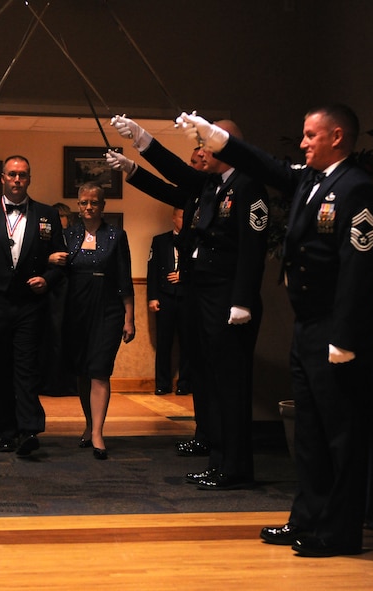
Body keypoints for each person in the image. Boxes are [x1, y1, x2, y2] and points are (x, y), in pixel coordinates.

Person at [178, 105, 373, 557]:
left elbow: (358, 269)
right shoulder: (311, 180)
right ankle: (306, 519)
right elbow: (266, 165)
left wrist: (345, 336)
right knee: (309, 431)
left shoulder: (356, 188)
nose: (303, 142)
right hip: (308, 325)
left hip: (336, 330)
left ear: (337, 137)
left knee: (340, 436)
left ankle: (339, 532)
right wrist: (218, 139)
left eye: (311, 135)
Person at [109, 116, 268, 489]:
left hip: (229, 298)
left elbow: (253, 249)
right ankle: (218, 461)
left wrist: (242, 300)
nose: (201, 152)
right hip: (204, 294)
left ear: (227, 146)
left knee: (230, 385)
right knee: (210, 380)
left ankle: (235, 467)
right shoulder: (214, 184)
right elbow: (176, 179)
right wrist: (141, 146)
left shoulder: (248, 185)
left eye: (207, 144)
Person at [107, 147, 209, 457]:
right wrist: (131, 167)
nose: (191, 167)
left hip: (201, 297)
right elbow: (163, 188)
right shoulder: (166, 234)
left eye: (196, 162)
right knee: (166, 345)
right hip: (168, 298)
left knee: (194, 352)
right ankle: (172, 394)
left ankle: (192, 399)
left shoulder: (217, 195)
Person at [0, 155, 64, 456]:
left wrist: (48, 279)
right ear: (3, 178)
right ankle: (5, 432)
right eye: (12, 174)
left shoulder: (47, 214)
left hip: (30, 303)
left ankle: (29, 429)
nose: (17, 180)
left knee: (27, 366)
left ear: (29, 179)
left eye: (23, 175)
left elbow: (61, 260)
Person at [50, 182, 135, 459]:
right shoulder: (68, 235)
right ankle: (89, 424)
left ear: (102, 205)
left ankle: (98, 432)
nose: (89, 207)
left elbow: (124, 279)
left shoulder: (116, 235)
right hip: (77, 309)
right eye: (84, 202)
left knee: (100, 369)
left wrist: (129, 318)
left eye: (94, 202)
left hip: (108, 309)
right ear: (78, 205)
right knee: (82, 371)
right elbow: (56, 271)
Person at [147, 207, 191, 396]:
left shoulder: (196, 239)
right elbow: (152, 270)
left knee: (188, 342)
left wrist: (185, 275)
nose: (184, 220)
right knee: (163, 343)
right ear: (174, 218)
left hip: (187, 297)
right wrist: (152, 297)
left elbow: (201, 267)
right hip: (165, 297)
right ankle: (162, 384)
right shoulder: (160, 241)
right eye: (181, 216)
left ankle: (185, 383)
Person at [40, 201, 77, 397]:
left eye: (61, 216)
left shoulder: (75, 235)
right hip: (49, 290)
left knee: (70, 337)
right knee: (50, 337)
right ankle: (49, 383)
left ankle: (70, 384)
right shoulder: (44, 235)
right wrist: (48, 259)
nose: (58, 219)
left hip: (71, 290)